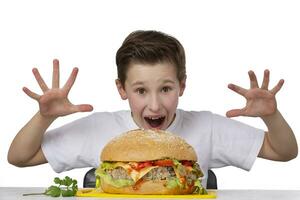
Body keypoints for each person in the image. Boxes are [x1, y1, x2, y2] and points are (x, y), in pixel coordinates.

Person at [8, 30, 298, 187]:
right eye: (141, 91)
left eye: (166, 89)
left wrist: (271, 117)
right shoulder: (98, 128)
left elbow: (284, 151)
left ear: (182, 86)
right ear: (122, 89)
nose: (155, 104)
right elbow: (19, 157)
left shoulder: (207, 127)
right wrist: (43, 118)